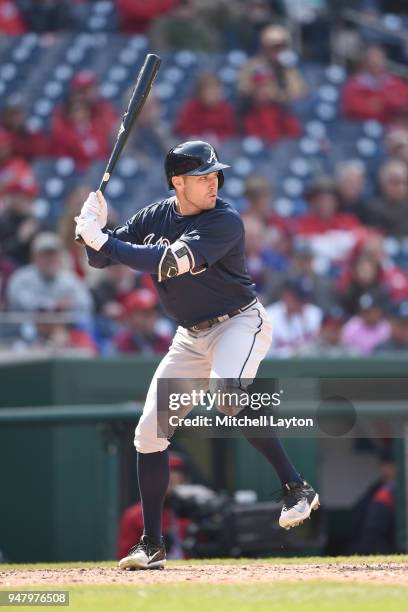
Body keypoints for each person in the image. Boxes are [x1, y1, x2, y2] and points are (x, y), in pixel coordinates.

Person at [75, 139, 320, 570]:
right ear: (177, 182)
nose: (213, 182)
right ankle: (151, 544)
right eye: (203, 176)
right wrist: (92, 232)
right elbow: (100, 261)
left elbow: (168, 262)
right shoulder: (155, 214)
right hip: (189, 336)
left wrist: (104, 240)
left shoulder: (225, 220)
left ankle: (296, 487)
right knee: (148, 433)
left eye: (214, 175)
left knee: (225, 393)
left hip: (239, 322)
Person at [117, 452, 191, 560]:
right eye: (167, 471)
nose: (170, 475)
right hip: (150, 571)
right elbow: (124, 555)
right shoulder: (135, 515)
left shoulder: (191, 510)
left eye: (176, 471)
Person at [6, 232, 93, 321]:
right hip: (26, 329)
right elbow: (24, 304)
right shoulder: (21, 278)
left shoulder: (69, 279)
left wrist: (71, 303)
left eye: (53, 254)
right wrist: (55, 305)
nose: (50, 259)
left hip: (64, 328)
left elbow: (86, 303)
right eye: (45, 255)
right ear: (34, 256)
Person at [342, 44, 408, 124]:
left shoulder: (396, 83)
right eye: (372, 58)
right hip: (360, 128)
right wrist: (382, 106)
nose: (375, 62)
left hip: (390, 127)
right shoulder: (354, 84)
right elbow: (352, 109)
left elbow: (402, 105)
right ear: (365, 62)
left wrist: (381, 102)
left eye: (379, 58)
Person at [175, 72, 237, 142]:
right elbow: (183, 131)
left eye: (216, 90)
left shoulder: (226, 110)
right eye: (209, 90)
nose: (213, 94)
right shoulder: (190, 108)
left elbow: (231, 135)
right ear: (200, 92)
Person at [112, 288, 171, 355]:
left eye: (152, 313)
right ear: (131, 316)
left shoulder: (164, 342)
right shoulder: (122, 343)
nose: (150, 317)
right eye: (145, 313)